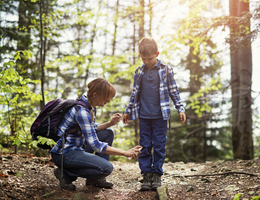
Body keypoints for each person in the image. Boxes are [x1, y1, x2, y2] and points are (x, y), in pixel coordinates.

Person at [50, 77, 142, 191]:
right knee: (106, 168)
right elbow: (95, 145)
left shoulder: (90, 105)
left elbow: (90, 129)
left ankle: (94, 179)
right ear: (95, 94)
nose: (108, 100)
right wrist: (124, 153)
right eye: (107, 97)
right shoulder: (82, 110)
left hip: (77, 147)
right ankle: (65, 174)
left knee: (108, 133)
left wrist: (109, 123)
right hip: (64, 153)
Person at [122, 37, 186, 191]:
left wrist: (180, 108)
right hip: (144, 116)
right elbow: (134, 93)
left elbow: (173, 90)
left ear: (157, 54)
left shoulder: (165, 70)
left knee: (159, 145)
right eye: (143, 58)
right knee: (144, 145)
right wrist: (128, 111)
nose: (147, 61)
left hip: (160, 116)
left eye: (150, 58)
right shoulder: (139, 71)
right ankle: (146, 173)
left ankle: (156, 173)